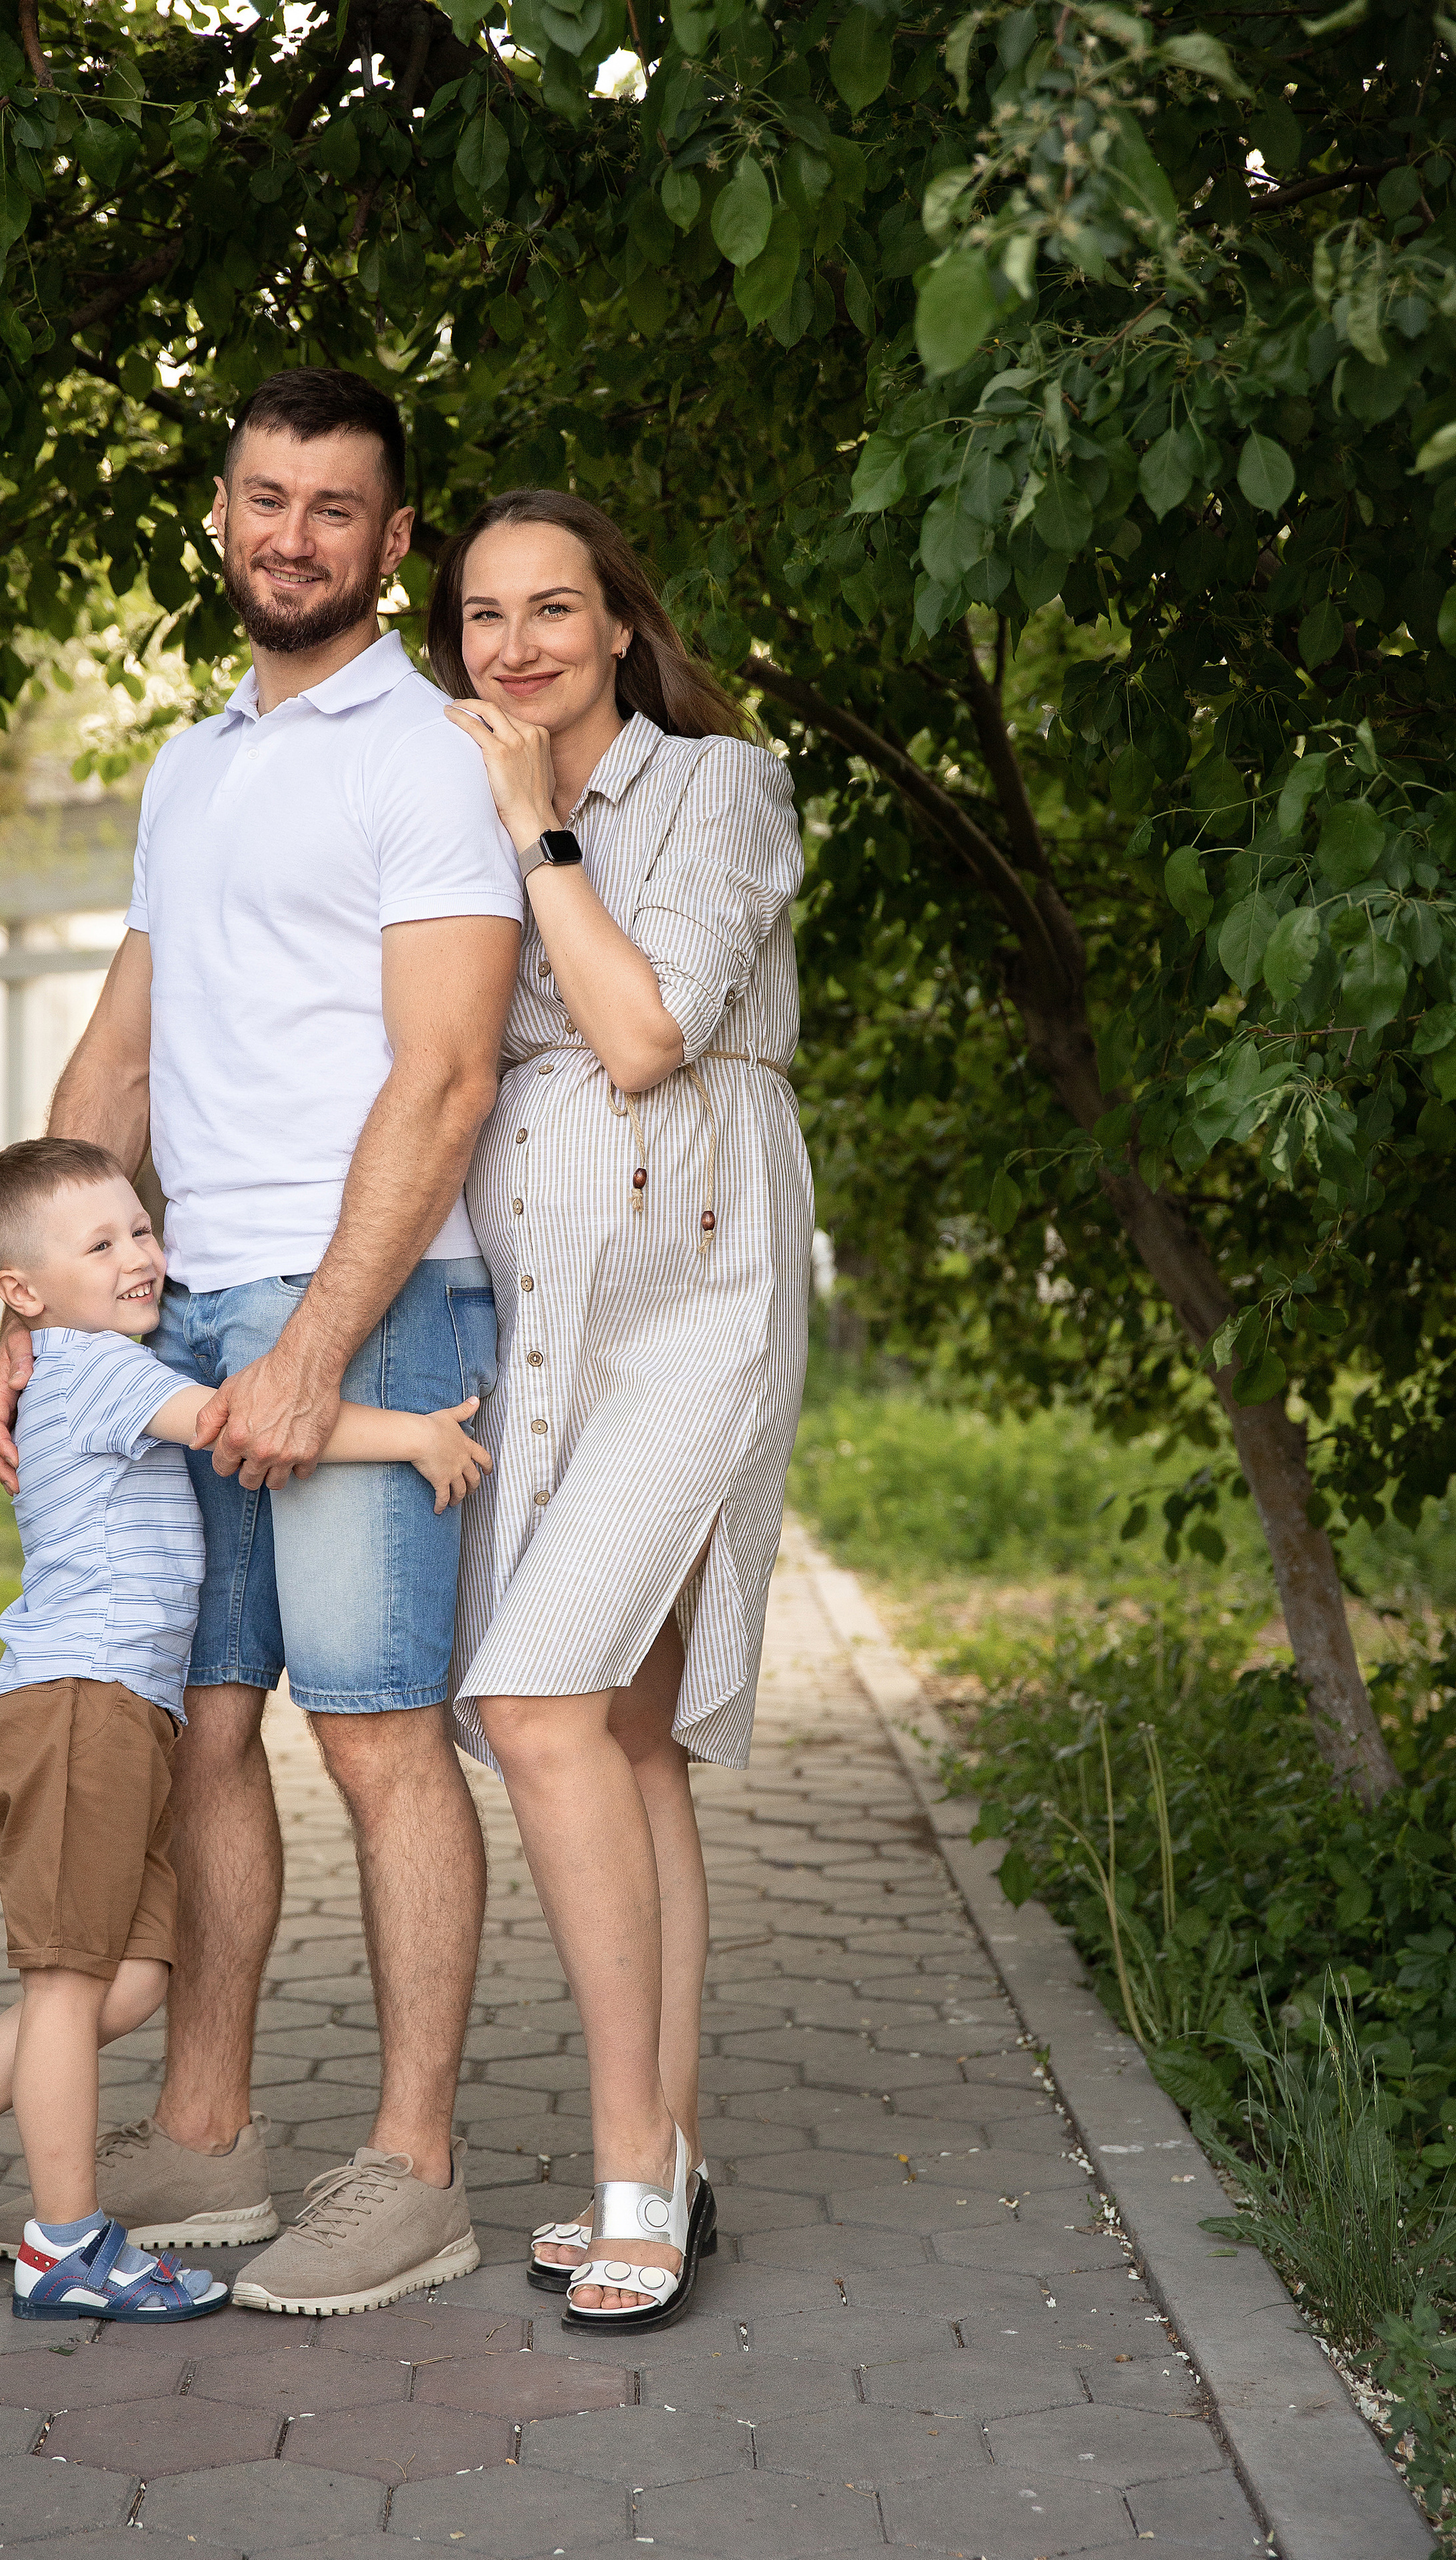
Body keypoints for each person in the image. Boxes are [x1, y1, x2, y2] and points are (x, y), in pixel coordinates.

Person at [0, 369, 523, 2317]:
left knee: (376, 1739)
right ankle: (205, 2139)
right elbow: (122, 1053)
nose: (291, 532)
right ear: (225, 511)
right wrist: (35, 1306)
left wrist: (317, 1350)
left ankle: (414, 2167)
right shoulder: (191, 764)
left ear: (392, 540)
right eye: (263, 495)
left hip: (355, 1296)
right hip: (176, 1301)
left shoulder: (427, 758)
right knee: (201, 1727)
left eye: (335, 506)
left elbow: (448, 1079)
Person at [0, 1139, 491, 2321]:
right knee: (74, 1981)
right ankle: (66, 2245)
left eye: (142, 1229)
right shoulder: (94, 1371)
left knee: (125, 1983)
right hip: (77, 1712)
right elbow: (250, 1425)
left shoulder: (88, 1360)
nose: (141, 1258)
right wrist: (418, 1436)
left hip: (117, 1714)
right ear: (21, 1295)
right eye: (102, 1244)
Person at [428, 491, 812, 2335]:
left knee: (531, 1693)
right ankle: (677, 2144)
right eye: (484, 614)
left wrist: (536, 830)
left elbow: (647, 1038)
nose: (516, 644)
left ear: (616, 622)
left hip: (697, 1294)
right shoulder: (449, 806)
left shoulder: (713, 788)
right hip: (549, 1322)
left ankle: (626, 2171)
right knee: (631, 1736)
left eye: (552, 608)